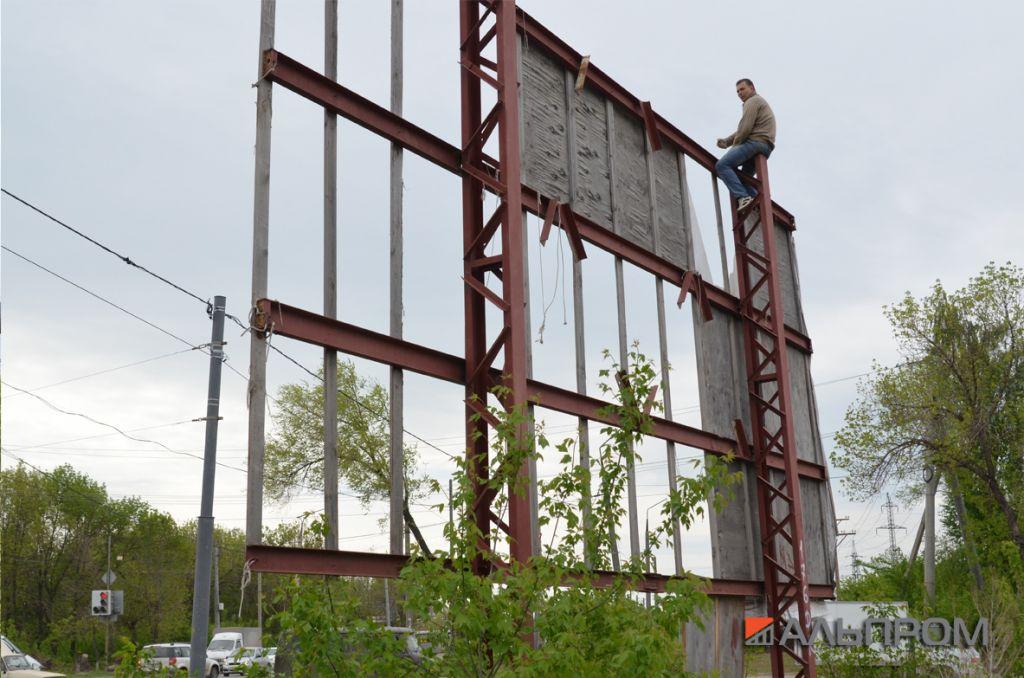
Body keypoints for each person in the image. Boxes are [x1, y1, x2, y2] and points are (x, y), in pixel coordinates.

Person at [715, 78, 776, 211]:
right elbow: (744, 128)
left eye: (742, 89)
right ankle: (761, 206)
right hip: (765, 146)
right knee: (743, 179)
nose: (740, 93)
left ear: (752, 88)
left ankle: (743, 197)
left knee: (722, 165)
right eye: (737, 91)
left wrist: (734, 147)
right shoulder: (758, 102)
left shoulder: (752, 101)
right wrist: (727, 141)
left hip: (756, 142)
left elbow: (745, 128)